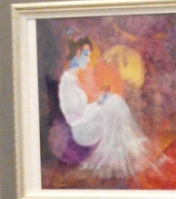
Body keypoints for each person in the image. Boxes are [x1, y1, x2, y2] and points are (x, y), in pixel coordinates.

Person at [54, 35, 151, 180]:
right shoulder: (68, 84)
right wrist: (99, 104)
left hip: (88, 122)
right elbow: (77, 118)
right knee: (115, 103)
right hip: (82, 132)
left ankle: (122, 153)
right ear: (77, 54)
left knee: (114, 100)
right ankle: (117, 157)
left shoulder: (75, 79)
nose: (88, 60)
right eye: (86, 55)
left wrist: (100, 101)